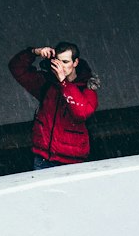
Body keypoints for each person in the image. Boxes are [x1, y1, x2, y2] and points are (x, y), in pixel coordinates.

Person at [9, 41, 99, 169]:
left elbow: (81, 113)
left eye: (65, 62)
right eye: (58, 61)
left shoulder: (87, 87)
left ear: (75, 63)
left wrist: (64, 83)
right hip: (43, 158)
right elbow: (17, 68)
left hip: (73, 161)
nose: (61, 66)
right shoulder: (47, 84)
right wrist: (34, 52)